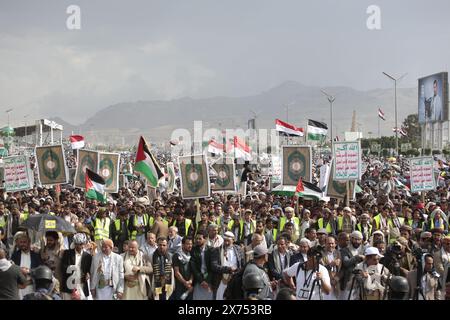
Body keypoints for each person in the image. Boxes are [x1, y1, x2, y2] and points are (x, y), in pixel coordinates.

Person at [210, 231, 244, 300]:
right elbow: (214, 266)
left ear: (233, 240)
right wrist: (228, 269)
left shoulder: (238, 249)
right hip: (221, 280)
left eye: (228, 241)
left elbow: (242, 264)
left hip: (235, 280)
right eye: (225, 241)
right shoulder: (217, 250)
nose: (226, 243)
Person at [60, 233, 92, 300]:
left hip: (81, 285)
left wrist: (88, 274)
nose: (79, 246)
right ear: (74, 244)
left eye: (81, 244)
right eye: (77, 244)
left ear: (84, 243)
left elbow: (89, 270)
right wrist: (75, 270)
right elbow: (63, 268)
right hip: (68, 287)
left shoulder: (88, 256)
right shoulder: (67, 253)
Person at [11, 233, 42, 299]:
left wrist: (29, 271)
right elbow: (12, 270)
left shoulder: (36, 256)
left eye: (24, 242)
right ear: (18, 243)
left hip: (31, 286)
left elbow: (40, 271)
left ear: (29, 242)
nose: (22, 244)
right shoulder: (15, 255)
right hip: (18, 287)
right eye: (21, 242)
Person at [339, 231, 365, 300]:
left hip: (360, 281)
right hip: (348, 281)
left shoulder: (364, 249)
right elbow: (346, 263)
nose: (357, 241)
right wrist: (357, 257)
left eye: (359, 239)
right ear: (351, 239)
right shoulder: (345, 250)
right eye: (355, 239)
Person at [190, 231, 213, 300]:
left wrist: (207, 280)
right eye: (196, 238)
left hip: (209, 281)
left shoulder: (211, 250)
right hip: (198, 280)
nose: (197, 240)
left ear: (205, 239)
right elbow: (193, 267)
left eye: (200, 239)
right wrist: (201, 281)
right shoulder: (193, 250)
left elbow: (212, 267)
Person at [321, 235, 341, 300]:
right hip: (325, 283)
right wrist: (330, 265)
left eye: (332, 243)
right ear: (325, 244)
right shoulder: (321, 254)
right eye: (329, 243)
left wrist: (336, 279)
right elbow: (320, 268)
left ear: (335, 244)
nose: (331, 245)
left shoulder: (338, 253)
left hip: (335, 284)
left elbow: (341, 269)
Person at [433, 235, 450, 299]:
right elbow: (439, 269)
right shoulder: (437, 254)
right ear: (443, 244)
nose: (449, 245)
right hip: (442, 282)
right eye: (448, 244)